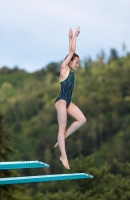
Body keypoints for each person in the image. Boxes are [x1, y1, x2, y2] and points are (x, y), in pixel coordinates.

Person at [54, 27, 87, 169]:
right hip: (61, 101)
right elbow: (71, 53)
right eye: (76, 62)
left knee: (82, 120)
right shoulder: (63, 68)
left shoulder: (70, 69)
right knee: (61, 127)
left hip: (68, 102)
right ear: (69, 62)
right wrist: (75, 38)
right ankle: (63, 155)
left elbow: (71, 53)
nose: (77, 65)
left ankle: (63, 137)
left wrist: (71, 38)